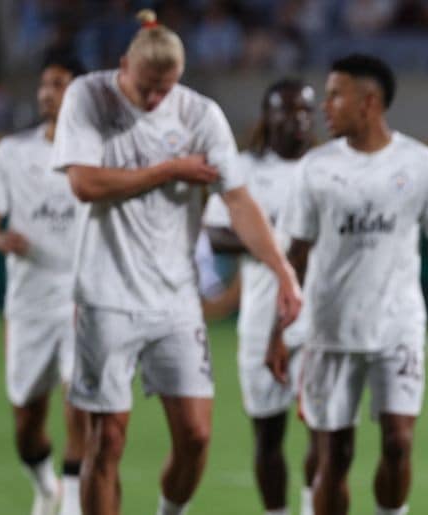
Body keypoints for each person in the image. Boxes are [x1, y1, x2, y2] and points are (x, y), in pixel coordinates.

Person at [50, 10, 302, 515]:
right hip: (105, 297)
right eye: (146, 88)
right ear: (124, 66)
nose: (154, 101)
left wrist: (282, 269)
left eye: (165, 90)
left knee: (195, 435)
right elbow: (84, 183)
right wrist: (168, 170)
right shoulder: (89, 97)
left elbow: (239, 201)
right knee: (107, 438)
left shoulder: (199, 115)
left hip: (175, 300)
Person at [270, 53, 428, 515]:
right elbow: (295, 256)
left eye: (334, 96)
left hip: (398, 328)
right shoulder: (315, 168)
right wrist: (277, 331)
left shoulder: (420, 163)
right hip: (330, 331)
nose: (324, 107)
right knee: (334, 454)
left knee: (399, 442)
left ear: (369, 102)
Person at [203, 78, 318, 515]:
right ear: (267, 116)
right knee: (268, 435)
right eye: (287, 110)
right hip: (259, 319)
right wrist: (273, 245)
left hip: (320, 322)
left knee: (325, 430)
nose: (297, 119)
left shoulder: (326, 168)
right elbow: (215, 233)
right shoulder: (243, 169)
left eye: (305, 110)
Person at [0, 54, 87, 515]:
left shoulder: (98, 153)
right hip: (28, 299)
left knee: (80, 404)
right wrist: (0, 239)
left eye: (59, 84)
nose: (48, 93)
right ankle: (45, 486)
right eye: (45, 84)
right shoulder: (11, 153)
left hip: (82, 297)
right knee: (27, 420)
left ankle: (71, 504)